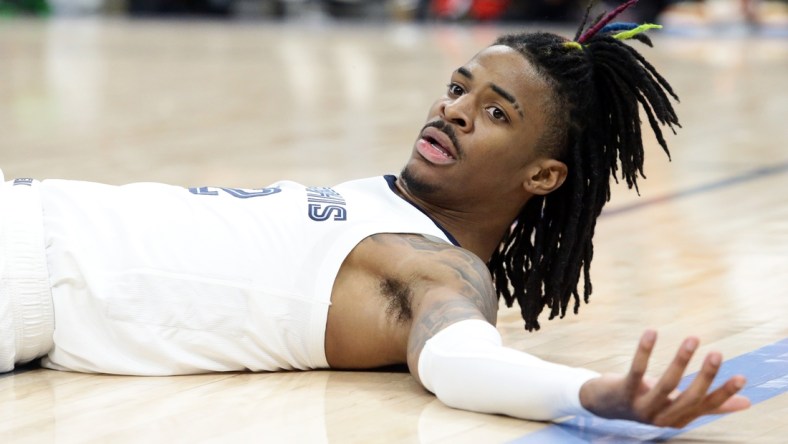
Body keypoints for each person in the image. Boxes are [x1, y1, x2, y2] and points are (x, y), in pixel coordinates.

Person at [0, 0, 750, 429]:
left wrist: (590, 395)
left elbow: (461, 363)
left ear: (543, 173)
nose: (454, 110)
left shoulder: (433, 266)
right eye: (458, 88)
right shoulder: (381, 200)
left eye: (494, 111)